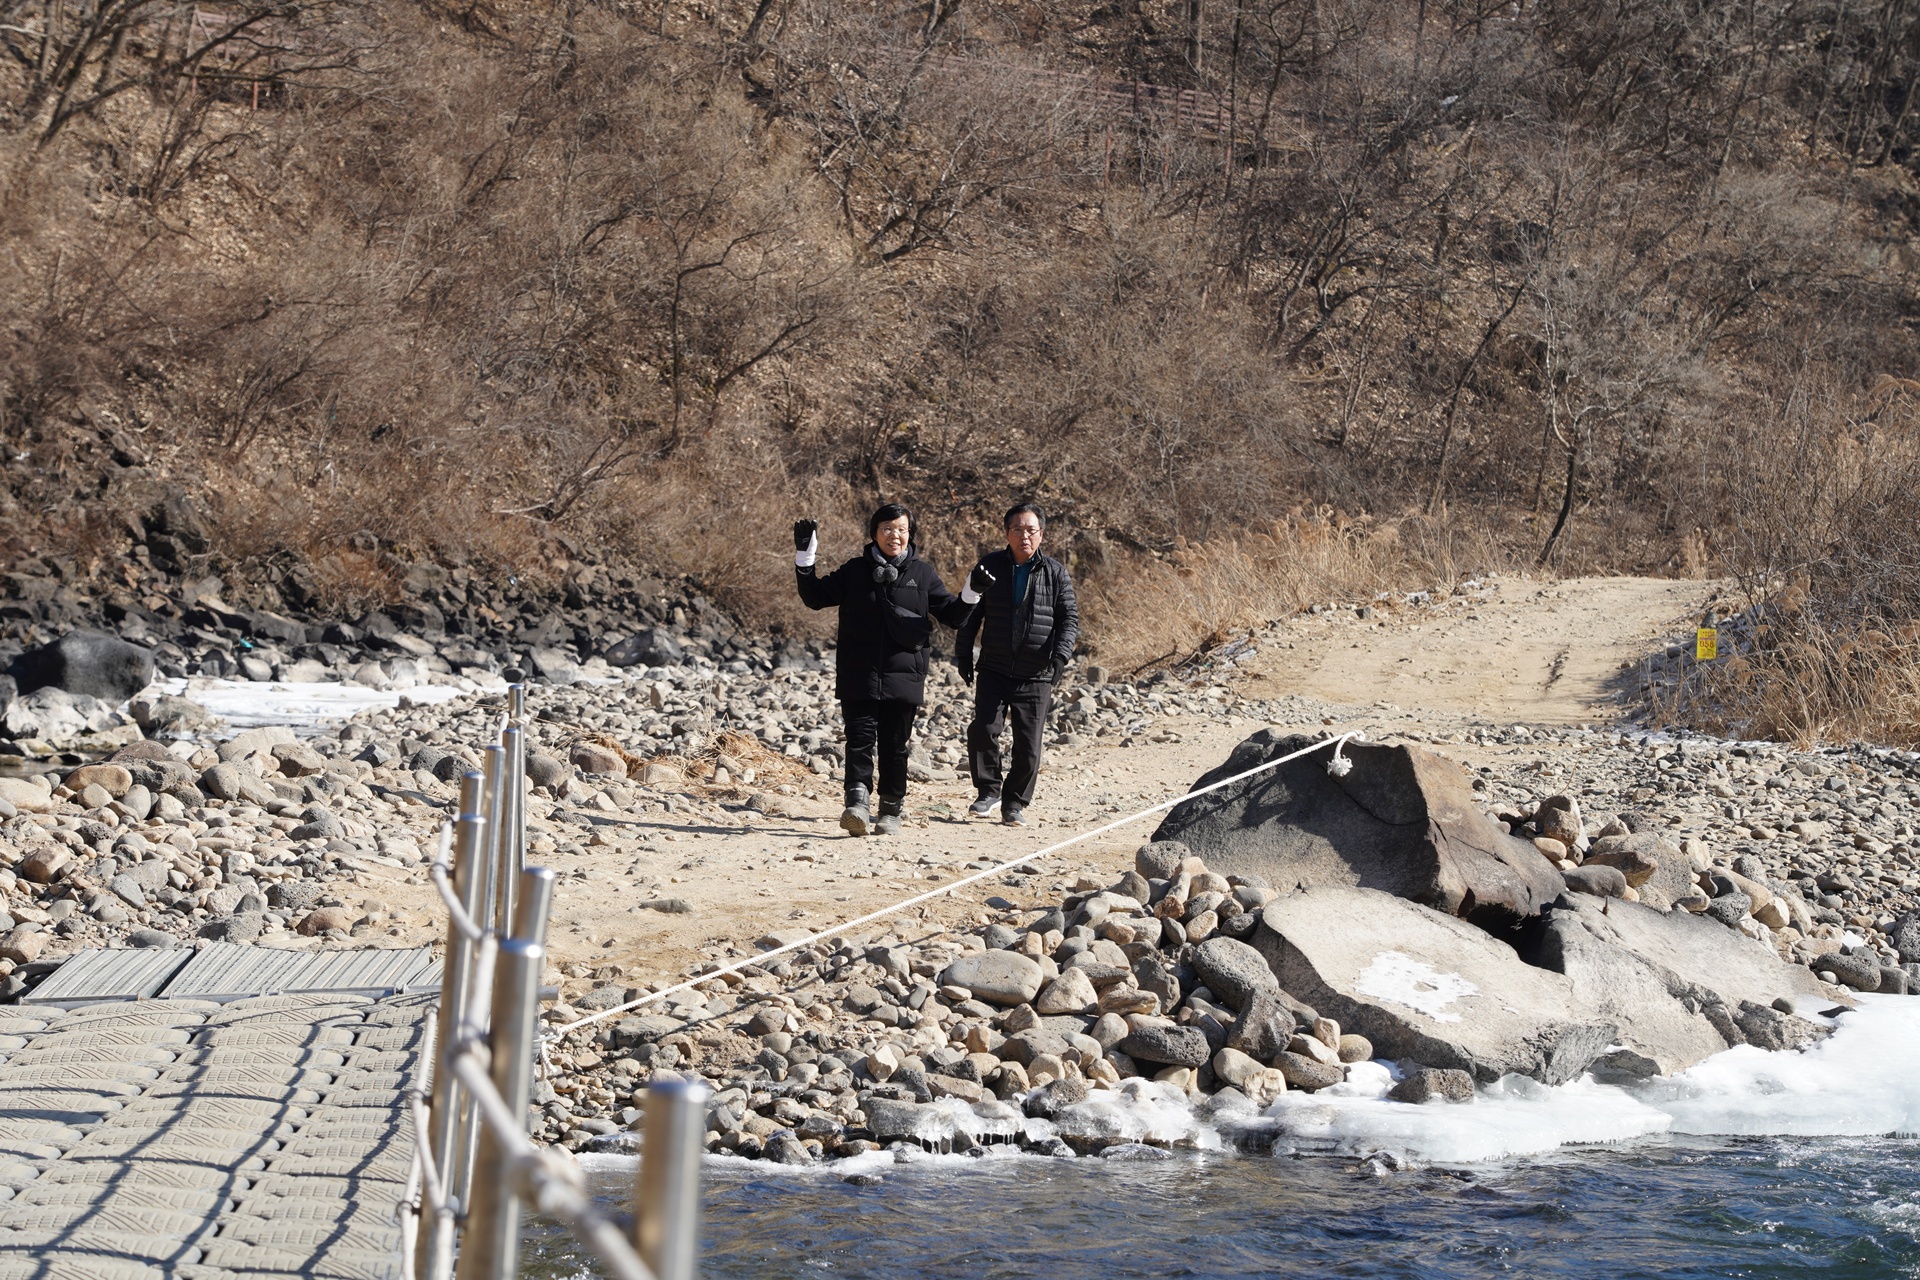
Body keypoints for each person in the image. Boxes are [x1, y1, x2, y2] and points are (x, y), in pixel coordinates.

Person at [794, 503, 973, 837]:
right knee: (858, 740)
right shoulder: (855, 571)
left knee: (895, 745)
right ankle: (857, 805)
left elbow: (953, 616)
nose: (895, 535)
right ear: (874, 533)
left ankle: (890, 809)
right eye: (888, 528)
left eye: (902, 529)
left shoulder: (923, 574)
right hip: (858, 672)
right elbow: (815, 597)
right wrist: (805, 558)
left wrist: (972, 592)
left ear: (910, 534)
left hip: (904, 676)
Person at [954, 502, 1079, 827]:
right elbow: (970, 611)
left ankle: (1014, 802)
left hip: (1036, 672)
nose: (1025, 536)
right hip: (994, 666)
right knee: (983, 729)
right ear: (1007, 533)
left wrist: (1060, 656)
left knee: (1029, 744)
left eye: (1031, 530)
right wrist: (963, 653)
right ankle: (989, 791)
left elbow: (1068, 618)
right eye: (1018, 529)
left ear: (1041, 534)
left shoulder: (1055, 572)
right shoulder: (989, 566)